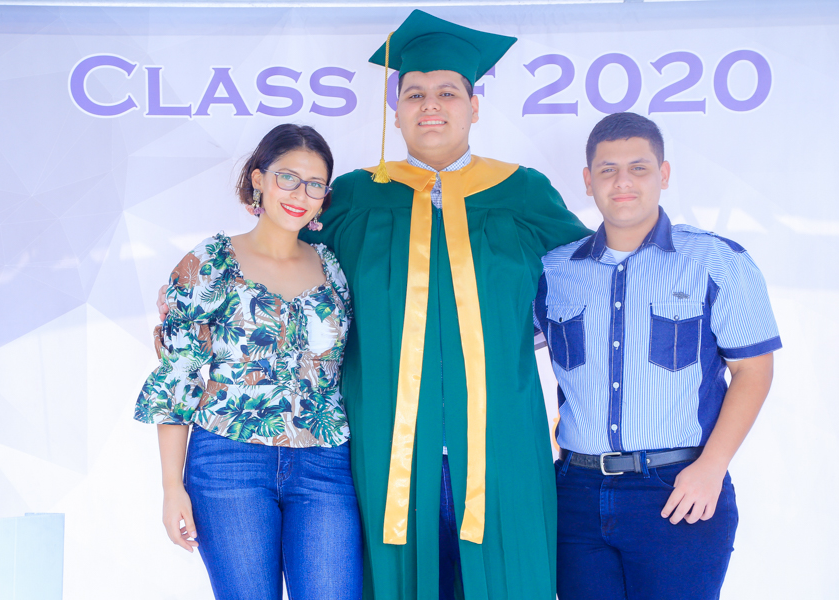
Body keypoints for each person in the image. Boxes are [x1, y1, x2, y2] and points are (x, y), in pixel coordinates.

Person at [156, 12, 587, 599]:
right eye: (414, 93)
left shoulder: (524, 192)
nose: (430, 105)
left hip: (502, 444)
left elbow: (590, 286)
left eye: (447, 93)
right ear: (396, 110)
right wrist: (191, 299)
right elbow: (284, 257)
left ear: (474, 106)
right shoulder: (357, 197)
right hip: (385, 451)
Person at [535, 112, 781, 600]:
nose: (622, 181)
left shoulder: (716, 261)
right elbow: (497, 351)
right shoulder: (554, 270)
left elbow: (753, 371)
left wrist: (712, 467)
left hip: (677, 490)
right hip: (576, 495)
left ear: (663, 174)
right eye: (607, 169)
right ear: (587, 180)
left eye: (639, 168)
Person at [135, 124, 362, 600]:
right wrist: (171, 487)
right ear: (258, 179)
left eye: (315, 184)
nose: (299, 194)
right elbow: (178, 377)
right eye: (287, 177)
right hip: (228, 461)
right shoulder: (211, 261)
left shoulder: (334, 267)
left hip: (325, 464)